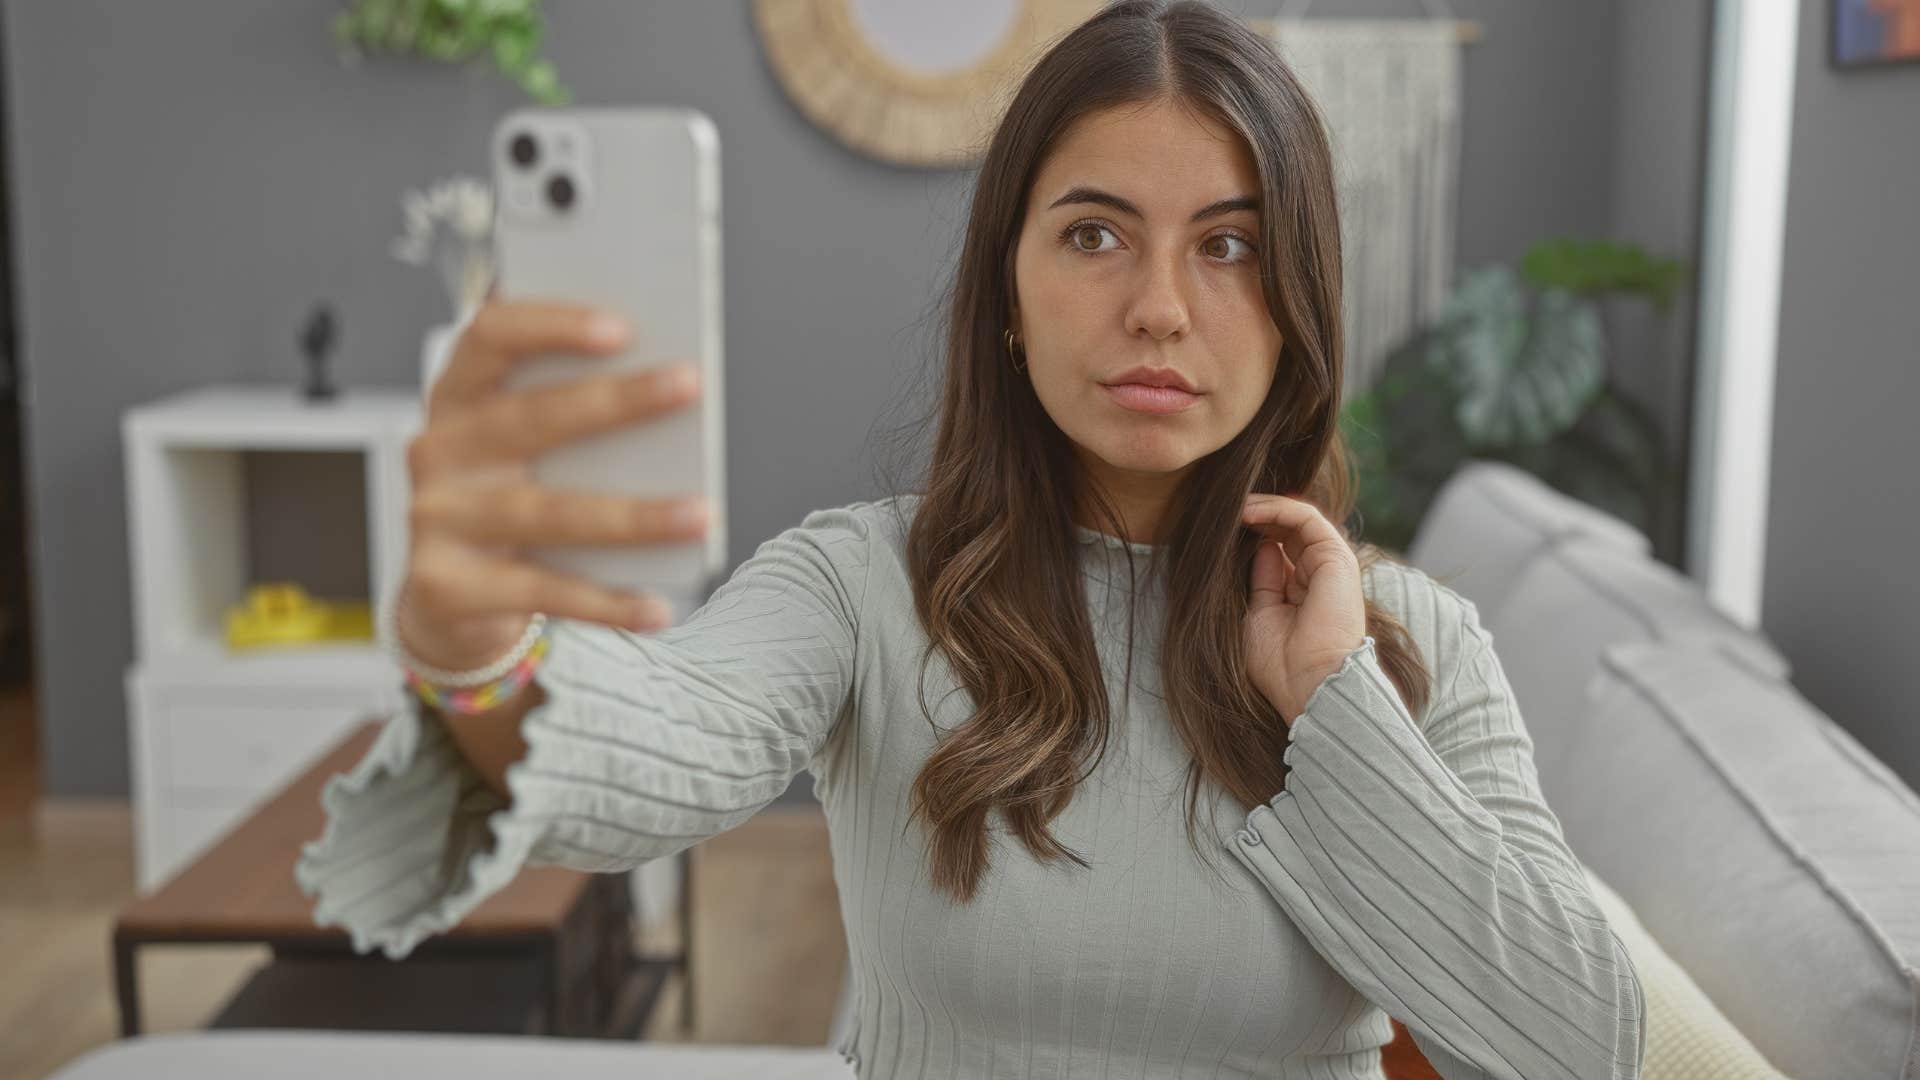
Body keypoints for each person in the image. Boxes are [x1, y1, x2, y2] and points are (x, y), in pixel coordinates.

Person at [296, 2, 1646, 1077]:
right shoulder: (862, 585)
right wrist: (471, 655)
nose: (1161, 308)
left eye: (1229, 249)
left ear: (1298, 307)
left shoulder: (1415, 646)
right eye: (1095, 234)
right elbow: (656, 749)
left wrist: (1337, 710)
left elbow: (1579, 1048)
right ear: (1009, 289)